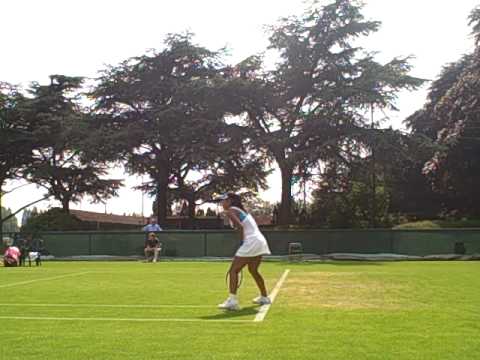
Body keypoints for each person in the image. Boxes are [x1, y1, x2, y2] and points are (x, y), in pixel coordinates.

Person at [216, 193, 271, 311]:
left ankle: (232, 301)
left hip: (251, 242)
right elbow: (242, 227)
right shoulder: (241, 211)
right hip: (260, 241)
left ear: (230, 201)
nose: (222, 203)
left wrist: (241, 242)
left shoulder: (231, 210)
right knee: (253, 270)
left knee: (233, 271)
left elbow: (240, 227)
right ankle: (264, 297)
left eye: (223, 201)